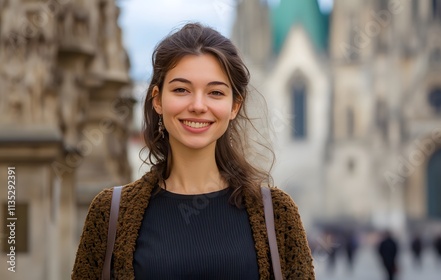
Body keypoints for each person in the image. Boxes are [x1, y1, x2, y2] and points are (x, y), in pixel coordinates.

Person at [71, 23, 315, 279]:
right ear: (157, 100)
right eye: (181, 90)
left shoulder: (277, 214)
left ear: (234, 106)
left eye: (215, 92)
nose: (198, 105)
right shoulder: (110, 213)